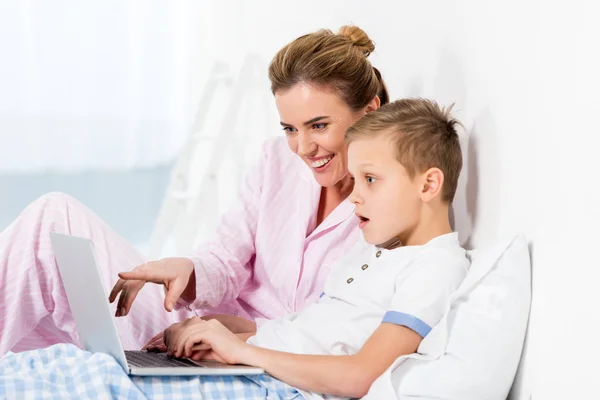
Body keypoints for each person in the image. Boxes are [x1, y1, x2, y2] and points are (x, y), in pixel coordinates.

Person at [0, 98, 469, 400]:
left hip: (265, 379)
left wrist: (240, 351)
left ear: (429, 184)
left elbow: (360, 374)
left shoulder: (432, 266)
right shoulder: (376, 251)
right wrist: (228, 328)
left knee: (82, 379)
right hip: (248, 356)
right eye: (289, 128)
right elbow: (303, 329)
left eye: (370, 180)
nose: (357, 195)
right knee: (53, 367)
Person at [0, 25, 389, 357]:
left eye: (318, 126)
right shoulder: (276, 160)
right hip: (197, 330)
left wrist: (238, 331)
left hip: (255, 351)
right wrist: (187, 272)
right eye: (290, 128)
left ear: (369, 112)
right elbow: (225, 258)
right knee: (54, 219)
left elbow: (339, 332)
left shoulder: (393, 206)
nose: (302, 148)